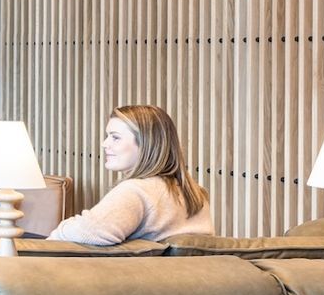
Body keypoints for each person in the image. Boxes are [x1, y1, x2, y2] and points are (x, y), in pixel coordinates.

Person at [48, 104, 213, 244]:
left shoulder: (136, 191)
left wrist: (60, 230)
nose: (105, 144)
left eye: (115, 138)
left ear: (145, 144)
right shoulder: (196, 195)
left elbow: (89, 232)